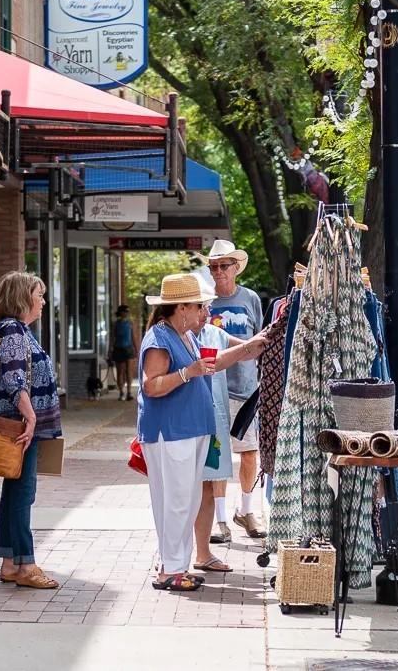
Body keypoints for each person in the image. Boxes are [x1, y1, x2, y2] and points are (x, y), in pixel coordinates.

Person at [138, 272, 217, 592]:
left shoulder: (183, 335)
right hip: (170, 432)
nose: (203, 311)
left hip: (187, 429)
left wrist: (247, 349)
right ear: (181, 307)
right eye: (198, 305)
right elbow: (151, 386)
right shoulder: (160, 337)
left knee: (185, 498)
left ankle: (175, 564)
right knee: (177, 500)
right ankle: (171, 568)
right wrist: (187, 373)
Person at [191, 275, 271, 572]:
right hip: (187, 423)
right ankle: (174, 558)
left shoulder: (213, 332)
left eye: (207, 307)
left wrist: (268, 338)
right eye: (203, 307)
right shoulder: (172, 336)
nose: (207, 313)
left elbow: (247, 348)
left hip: (218, 412)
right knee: (190, 488)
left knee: (212, 476)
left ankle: (203, 552)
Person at [0, 272, 63, 589]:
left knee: (14, 493)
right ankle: (26, 564)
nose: (43, 301)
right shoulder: (14, 330)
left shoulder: (14, 330)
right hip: (21, 427)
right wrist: (31, 417)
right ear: (23, 298)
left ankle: (9, 563)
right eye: (39, 294)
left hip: (21, 425)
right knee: (22, 495)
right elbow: (14, 378)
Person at [201, 239, 267, 539]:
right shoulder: (206, 302)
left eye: (223, 266)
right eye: (213, 266)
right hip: (214, 388)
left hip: (247, 388)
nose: (217, 272)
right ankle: (221, 520)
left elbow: (261, 340)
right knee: (218, 456)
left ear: (235, 268)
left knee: (250, 453)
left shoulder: (251, 298)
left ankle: (247, 511)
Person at [107, 305, 137, 401]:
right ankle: (121, 392)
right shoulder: (116, 324)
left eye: (127, 312)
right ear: (120, 313)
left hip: (128, 349)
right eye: (125, 311)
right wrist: (110, 350)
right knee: (120, 372)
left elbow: (133, 337)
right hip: (118, 348)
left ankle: (129, 392)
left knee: (129, 371)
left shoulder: (130, 323)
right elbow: (112, 338)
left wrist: (136, 349)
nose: (126, 313)